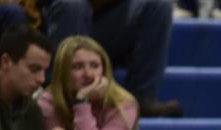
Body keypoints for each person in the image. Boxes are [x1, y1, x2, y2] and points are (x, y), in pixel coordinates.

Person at [40, 0, 182, 117]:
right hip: (64, 21)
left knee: (159, 5)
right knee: (72, 5)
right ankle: (64, 98)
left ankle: (141, 99)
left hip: (108, 21)